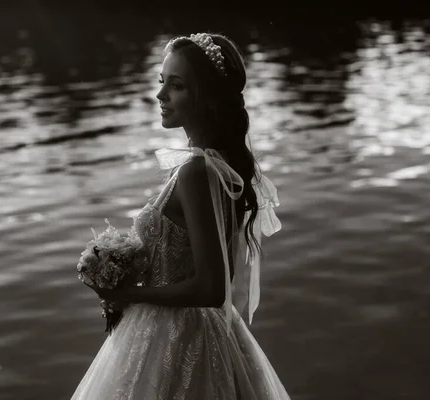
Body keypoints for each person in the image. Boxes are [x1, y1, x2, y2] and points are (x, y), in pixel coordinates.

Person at [72, 32, 290, 399]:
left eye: (176, 86)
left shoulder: (198, 172)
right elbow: (218, 274)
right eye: (162, 83)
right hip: (204, 329)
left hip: (178, 339)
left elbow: (212, 287)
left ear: (205, 99)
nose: (160, 96)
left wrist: (129, 293)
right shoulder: (215, 168)